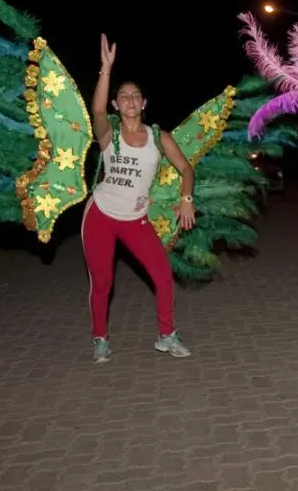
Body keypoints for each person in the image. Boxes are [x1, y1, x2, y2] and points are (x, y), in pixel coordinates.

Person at [82, 33, 196, 364]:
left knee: (162, 275)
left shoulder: (160, 138)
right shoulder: (108, 134)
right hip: (100, 215)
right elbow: (96, 109)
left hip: (135, 219)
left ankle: (167, 336)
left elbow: (186, 169)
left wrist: (187, 198)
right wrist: (105, 69)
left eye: (136, 96)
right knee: (102, 281)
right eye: (124, 96)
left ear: (144, 103)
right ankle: (100, 339)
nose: (130, 100)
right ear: (116, 105)